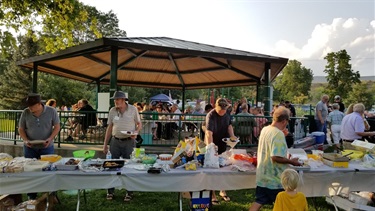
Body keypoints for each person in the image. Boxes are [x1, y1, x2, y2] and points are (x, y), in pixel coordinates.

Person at [249, 106, 301, 211]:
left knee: (259, 201)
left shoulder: (265, 129)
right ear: (284, 120)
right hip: (275, 179)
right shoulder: (278, 134)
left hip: (262, 176)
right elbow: (275, 157)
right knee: (281, 205)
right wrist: (292, 162)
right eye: (288, 121)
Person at [18, 93, 60, 200]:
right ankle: (31, 197)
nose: (29, 108)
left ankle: (51, 195)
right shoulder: (26, 112)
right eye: (28, 105)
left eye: (31, 105)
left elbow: (57, 126)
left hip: (47, 146)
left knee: (49, 170)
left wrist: (50, 138)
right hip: (29, 147)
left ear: (39, 104)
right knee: (30, 171)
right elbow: (21, 128)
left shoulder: (51, 111)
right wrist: (25, 140)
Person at [102, 91, 142, 201]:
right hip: (115, 141)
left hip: (129, 141)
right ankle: (110, 191)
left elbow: (139, 124)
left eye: (117, 99)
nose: (115, 101)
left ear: (124, 100)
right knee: (111, 166)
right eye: (114, 100)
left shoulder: (133, 109)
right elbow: (109, 128)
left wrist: (136, 132)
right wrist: (105, 144)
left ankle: (129, 192)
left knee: (129, 167)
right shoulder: (112, 110)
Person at [205, 98, 236, 205]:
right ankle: (213, 194)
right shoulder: (211, 115)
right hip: (212, 142)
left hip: (223, 142)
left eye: (224, 109)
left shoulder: (227, 113)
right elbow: (209, 133)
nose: (222, 112)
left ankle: (222, 190)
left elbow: (229, 125)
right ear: (216, 107)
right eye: (220, 110)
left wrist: (232, 136)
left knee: (223, 168)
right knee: (213, 169)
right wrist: (211, 148)